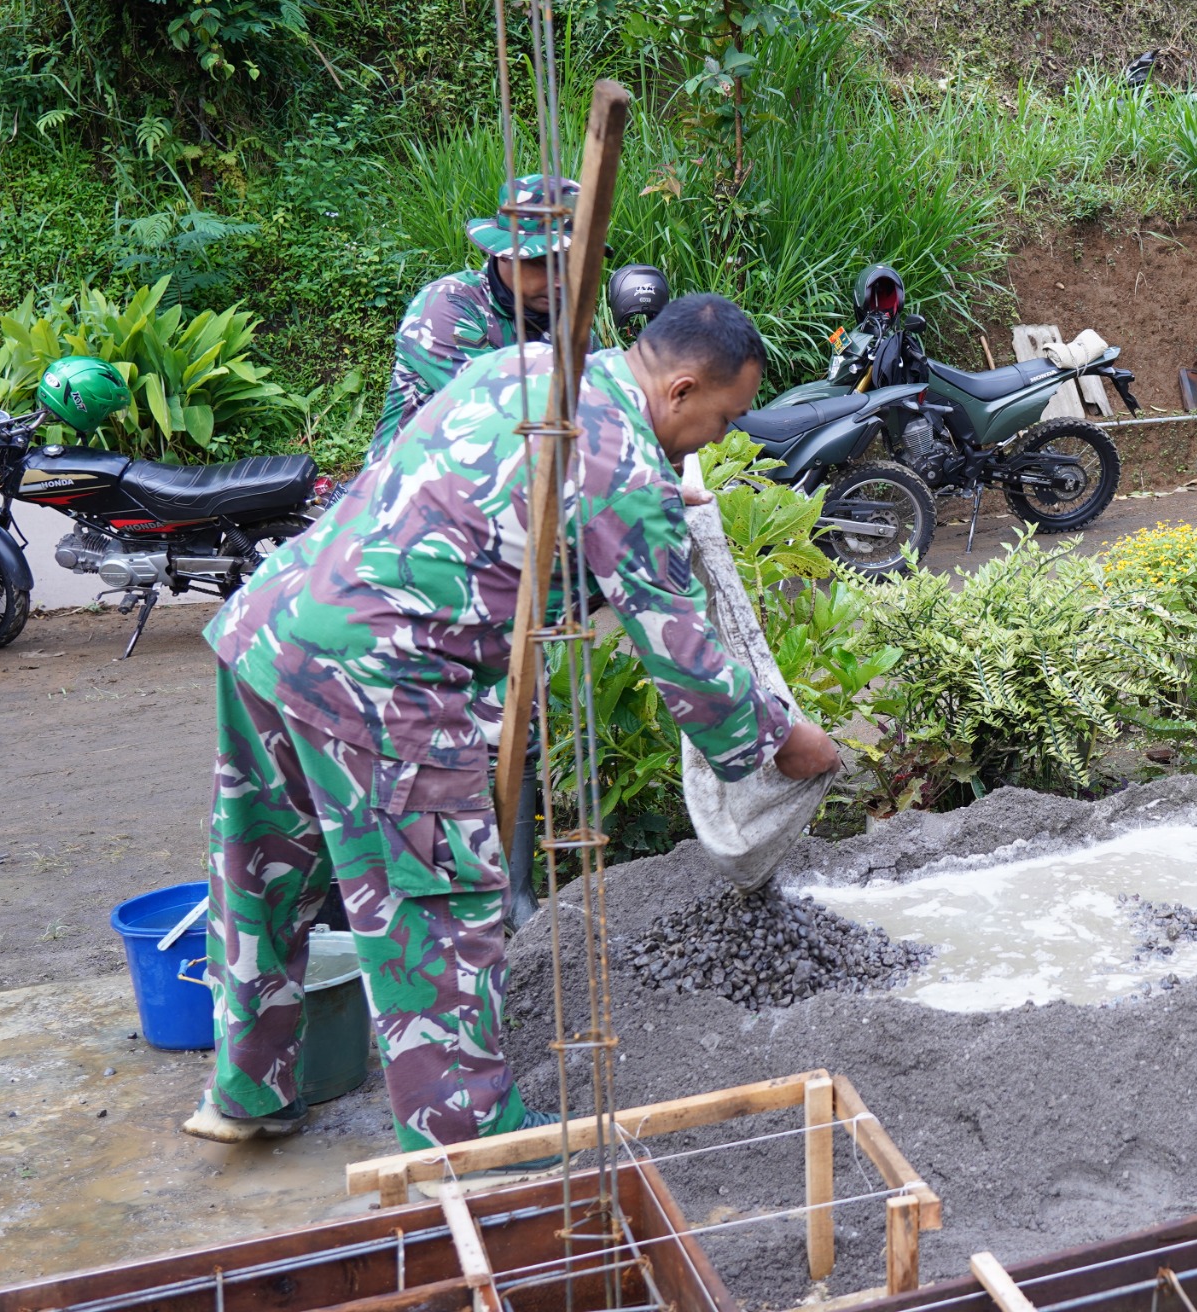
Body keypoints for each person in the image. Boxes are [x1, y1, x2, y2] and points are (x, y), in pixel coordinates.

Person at [185, 293, 842, 1149]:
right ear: (680, 390)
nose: (720, 438)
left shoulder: (524, 368)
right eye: (725, 417)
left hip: (273, 633)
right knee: (438, 907)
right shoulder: (622, 467)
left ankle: (246, 1098)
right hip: (385, 675)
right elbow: (685, 656)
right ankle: (472, 1150)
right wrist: (787, 745)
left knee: (262, 879)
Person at [371, 174, 578, 463]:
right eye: (545, 262)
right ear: (506, 253)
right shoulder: (448, 305)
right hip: (408, 489)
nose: (561, 280)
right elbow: (499, 408)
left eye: (573, 262)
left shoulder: (565, 318)